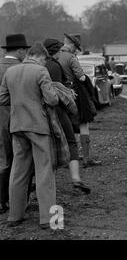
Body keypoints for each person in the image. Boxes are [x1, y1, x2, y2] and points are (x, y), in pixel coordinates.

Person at [0, 43, 59, 229]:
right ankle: (48, 219)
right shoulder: (41, 72)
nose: (44, 63)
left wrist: (20, 101)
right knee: (44, 172)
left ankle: (14, 216)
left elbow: (2, 99)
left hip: (17, 126)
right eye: (44, 60)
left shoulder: (11, 72)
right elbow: (52, 99)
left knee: (18, 171)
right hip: (38, 126)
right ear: (39, 56)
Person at [43, 38, 90, 194]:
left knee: (48, 146)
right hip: (57, 110)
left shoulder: (40, 65)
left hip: (41, 112)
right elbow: (57, 91)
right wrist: (69, 94)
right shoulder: (55, 65)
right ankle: (76, 180)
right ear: (56, 51)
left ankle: (47, 184)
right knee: (71, 141)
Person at [55, 33, 101, 168]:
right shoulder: (71, 57)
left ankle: (68, 157)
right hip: (75, 95)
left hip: (59, 95)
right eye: (76, 47)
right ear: (71, 45)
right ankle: (87, 158)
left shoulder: (55, 57)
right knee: (84, 124)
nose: (76, 49)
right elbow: (80, 77)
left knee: (65, 127)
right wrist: (86, 80)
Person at [0, 34, 30, 214]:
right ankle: (17, 201)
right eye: (25, 50)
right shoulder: (22, 68)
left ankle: (1, 201)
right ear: (19, 50)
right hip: (18, 116)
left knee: (2, 157)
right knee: (22, 157)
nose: (25, 53)